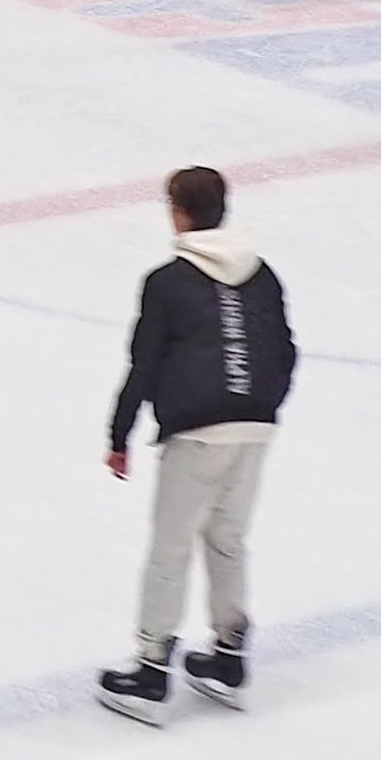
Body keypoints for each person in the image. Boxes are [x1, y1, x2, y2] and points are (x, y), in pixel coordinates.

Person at [97, 166, 296, 725]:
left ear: (178, 211)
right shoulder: (262, 274)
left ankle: (151, 668)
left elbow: (145, 362)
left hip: (198, 431)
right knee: (228, 538)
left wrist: (119, 435)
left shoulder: (168, 281)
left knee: (171, 546)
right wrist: (260, 406)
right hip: (255, 426)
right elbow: (285, 351)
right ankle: (229, 657)